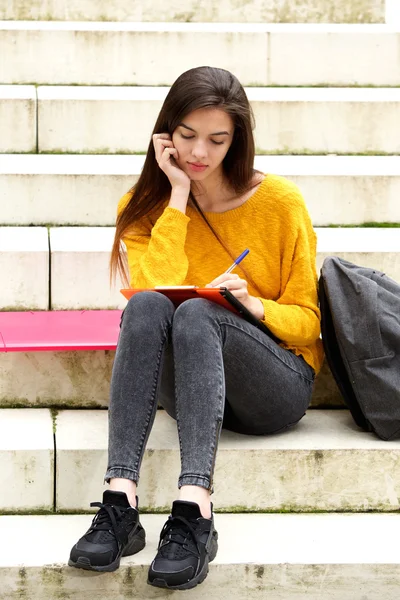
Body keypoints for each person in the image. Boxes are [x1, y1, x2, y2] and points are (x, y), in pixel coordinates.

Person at [68, 66, 324, 590]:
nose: (199, 153)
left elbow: (307, 325)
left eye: (217, 140)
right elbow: (156, 289)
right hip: (189, 383)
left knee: (201, 311)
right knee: (147, 308)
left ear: (238, 140)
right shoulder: (143, 211)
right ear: (165, 134)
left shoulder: (281, 204)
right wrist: (178, 195)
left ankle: (194, 508)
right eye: (186, 137)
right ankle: (120, 502)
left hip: (273, 387)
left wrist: (253, 307)